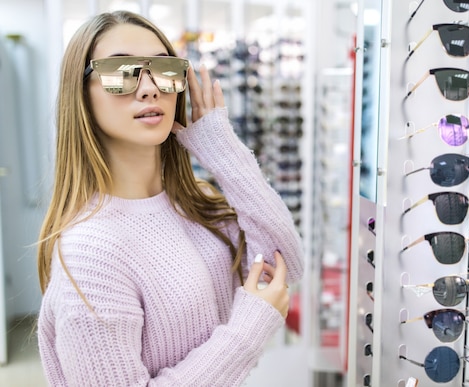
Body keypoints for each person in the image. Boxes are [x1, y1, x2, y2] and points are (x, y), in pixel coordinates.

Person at [36, 10, 304, 386]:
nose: (149, 88)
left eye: (163, 69)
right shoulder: (90, 253)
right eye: (120, 72)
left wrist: (219, 147)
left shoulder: (195, 205)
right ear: (81, 96)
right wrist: (246, 332)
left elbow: (284, 263)